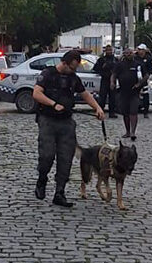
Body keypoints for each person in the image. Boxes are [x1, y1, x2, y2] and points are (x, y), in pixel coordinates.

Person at [32, 50, 105, 208]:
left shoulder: (73, 78)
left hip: (66, 122)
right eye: (72, 68)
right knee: (47, 155)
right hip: (48, 120)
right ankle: (42, 179)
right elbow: (36, 94)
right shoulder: (48, 74)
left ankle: (60, 192)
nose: (74, 71)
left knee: (66, 159)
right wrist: (53, 104)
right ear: (64, 63)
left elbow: (85, 94)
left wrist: (97, 108)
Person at [112, 47, 146, 140]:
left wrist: (139, 83)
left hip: (134, 92)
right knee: (125, 113)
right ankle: (127, 131)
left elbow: (146, 75)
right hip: (123, 92)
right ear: (124, 54)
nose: (128, 55)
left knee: (133, 111)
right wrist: (112, 82)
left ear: (133, 54)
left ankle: (133, 132)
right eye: (126, 53)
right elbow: (114, 74)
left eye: (130, 53)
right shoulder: (120, 65)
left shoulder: (138, 64)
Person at [93, 44, 118, 119]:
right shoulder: (102, 59)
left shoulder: (115, 60)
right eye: (107, 50)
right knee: (102, 97)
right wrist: (102, 68)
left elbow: (118, 69)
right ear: (105, 51)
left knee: (112, 98)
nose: (109, 52)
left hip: (113, 80)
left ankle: (112, 113)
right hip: (104, 80)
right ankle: (100, 111)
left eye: (110, 50)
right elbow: (95, 69)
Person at [136, 44, 152, 119]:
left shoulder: (148, 59)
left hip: (145, 80)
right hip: (136, 79)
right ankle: (135, 110)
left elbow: (151, 70)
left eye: (142, 50)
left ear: (145, 51)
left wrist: (147, 77)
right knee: (135, 96)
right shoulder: (135, 58)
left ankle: (146, 112)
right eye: (139, 50)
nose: (141, 51)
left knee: (146, 96)